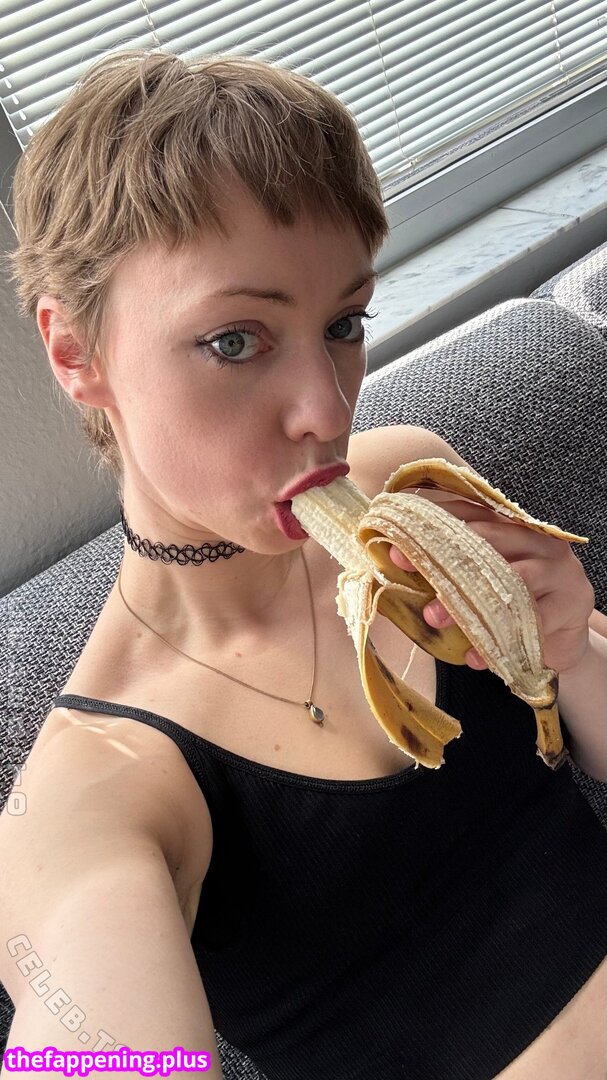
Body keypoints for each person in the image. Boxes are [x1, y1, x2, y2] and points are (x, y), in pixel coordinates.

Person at [1, 47, 606, 1080]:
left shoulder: (405, 479)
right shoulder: (101, 794)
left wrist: (569, 653)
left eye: (342, 324)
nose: (327, 408)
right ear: (75, 353)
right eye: (235, 341)